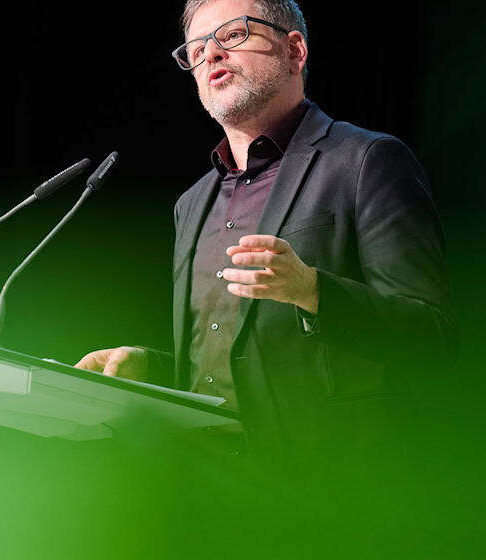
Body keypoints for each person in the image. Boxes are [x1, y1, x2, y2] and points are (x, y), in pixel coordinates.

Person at [75, 0, 456, 466]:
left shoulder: (366, 161)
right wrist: (149, 365)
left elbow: (432, 340)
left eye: (233, 34)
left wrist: (312, 290)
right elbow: (229, 364)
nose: (211, 54)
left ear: (294, 50)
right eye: (196, 49)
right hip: (200, 476)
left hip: (323, 479)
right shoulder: (191, 204)